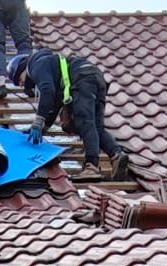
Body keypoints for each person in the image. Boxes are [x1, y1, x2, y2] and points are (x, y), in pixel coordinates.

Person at [7, 49, 122, 178]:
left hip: (82, 78)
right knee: (97, 126)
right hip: (95, 76)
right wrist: (44, 127)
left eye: (19, 80)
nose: (22, 85)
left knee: (85, 122)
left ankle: (92, 167)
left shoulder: (35, 65)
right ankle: (116, 155)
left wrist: (38, 122)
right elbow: (55, 103)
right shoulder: (48, 65)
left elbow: (47, 91)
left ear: (21, 69)